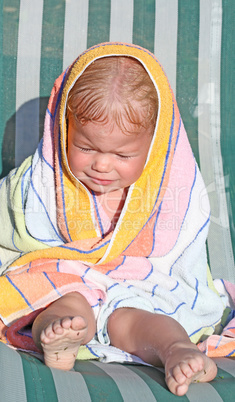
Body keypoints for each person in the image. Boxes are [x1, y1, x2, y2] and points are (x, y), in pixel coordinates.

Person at [0, 43, 226, 396]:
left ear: (155, 146)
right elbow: (9, 229)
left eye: (123, 154)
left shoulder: (170, 190)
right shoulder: (41, 181)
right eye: (86, 147)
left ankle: (175, 349)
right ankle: (60, 336)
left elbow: (178, 257)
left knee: (138, 319)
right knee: (62, 301)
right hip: (67, 280)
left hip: (139, 288)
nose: (102, 165)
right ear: (63, 129)